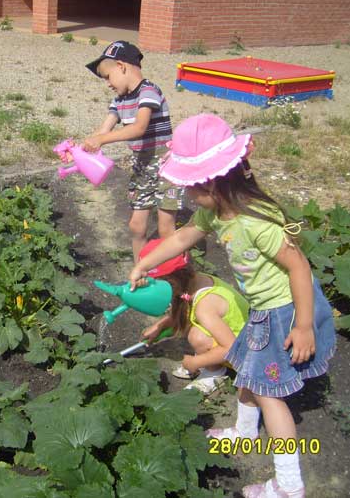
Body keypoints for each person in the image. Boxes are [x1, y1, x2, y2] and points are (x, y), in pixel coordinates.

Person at [128, 113, 336, 498]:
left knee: (270, 395)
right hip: (263, 308)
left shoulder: (256, 222)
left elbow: (300, 268)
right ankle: (243, 433)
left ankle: (289, 484)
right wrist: (144, 263)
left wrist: (304, 325)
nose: (189, 196)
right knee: (248, 371)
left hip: (284, 309)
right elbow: (180, 239)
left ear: (214, 182)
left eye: (192, 188)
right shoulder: (215, 212)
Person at [83, 40, 182, 261]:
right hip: (142, 166)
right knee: (137, 226)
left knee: (166, 228)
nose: (108, 84)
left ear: (122, 66)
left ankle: (179, 279)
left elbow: (139, 128)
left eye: (107, 77)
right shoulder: (119, 100)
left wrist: (102, 139)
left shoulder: (148, 91)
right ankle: (141, 272)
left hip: (167, 165)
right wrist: (80, 149)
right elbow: (103, 130)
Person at [138, 238, 250, 394]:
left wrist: (196, 361)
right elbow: (184, 309)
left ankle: (213, 373)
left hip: (246, 353)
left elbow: (231, 347)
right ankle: (210, 361)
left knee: (196, 336)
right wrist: (161, 325)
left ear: (173, 282)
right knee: (190, 328)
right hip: (236, 338)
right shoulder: (197, 281)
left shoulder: (205, 306)